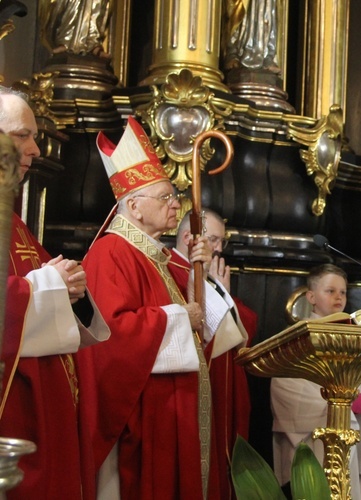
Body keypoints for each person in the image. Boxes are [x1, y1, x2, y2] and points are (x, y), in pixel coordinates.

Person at [80, 116, 222, 499]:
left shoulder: (156, 255)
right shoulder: (112, 252)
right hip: (144, 413)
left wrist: (200, 272)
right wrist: (180, 319)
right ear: (135, 206)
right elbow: (112, 334)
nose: (176, 204)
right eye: (166, 197)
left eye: (175, 196)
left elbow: (203, 318)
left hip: (169, 407)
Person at [0, 87, 110, 499]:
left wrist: (72, 287)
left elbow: (46, 282)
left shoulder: (14, 222)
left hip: (44, 409)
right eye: (20, 135)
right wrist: (51, 285)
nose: (33, 148)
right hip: (14, 413)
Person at [270, 263, 361, 498]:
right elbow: (284, 384)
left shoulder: (354, 334)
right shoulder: (298, 336)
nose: (338, 297)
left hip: (347, 430)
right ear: (311, 297)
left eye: (343, 292)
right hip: (312, 435)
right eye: (330, 291)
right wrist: (339, 404)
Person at [173, 209, 258, 499]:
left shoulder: (205, 272)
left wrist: (222, 292)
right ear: (188, 238)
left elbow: (244, 326)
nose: (220, 248)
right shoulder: (172, 269)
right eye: (213, 239)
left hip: (222, 381)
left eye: (222, 241)